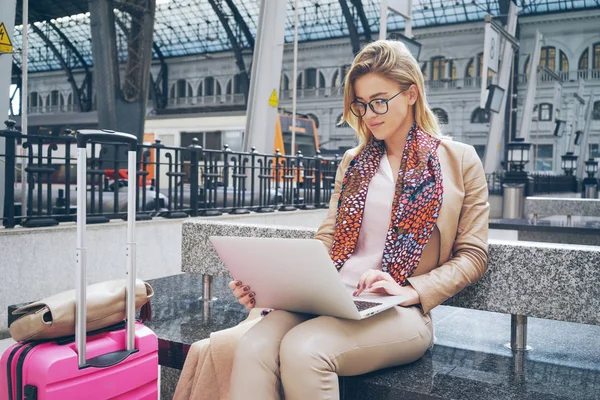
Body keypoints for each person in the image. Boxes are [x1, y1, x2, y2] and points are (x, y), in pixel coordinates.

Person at [227, 39, 490, 400]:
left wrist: (411, 290)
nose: (369, 114)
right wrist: (271, 286)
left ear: (411, 93)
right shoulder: (354, 161)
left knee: (304, 350)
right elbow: (329, 237)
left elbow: (473, 255)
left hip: (399, 310)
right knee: (252, 346)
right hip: (331, 296)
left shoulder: (459, 160)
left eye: (379, 101)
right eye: (361, 104)